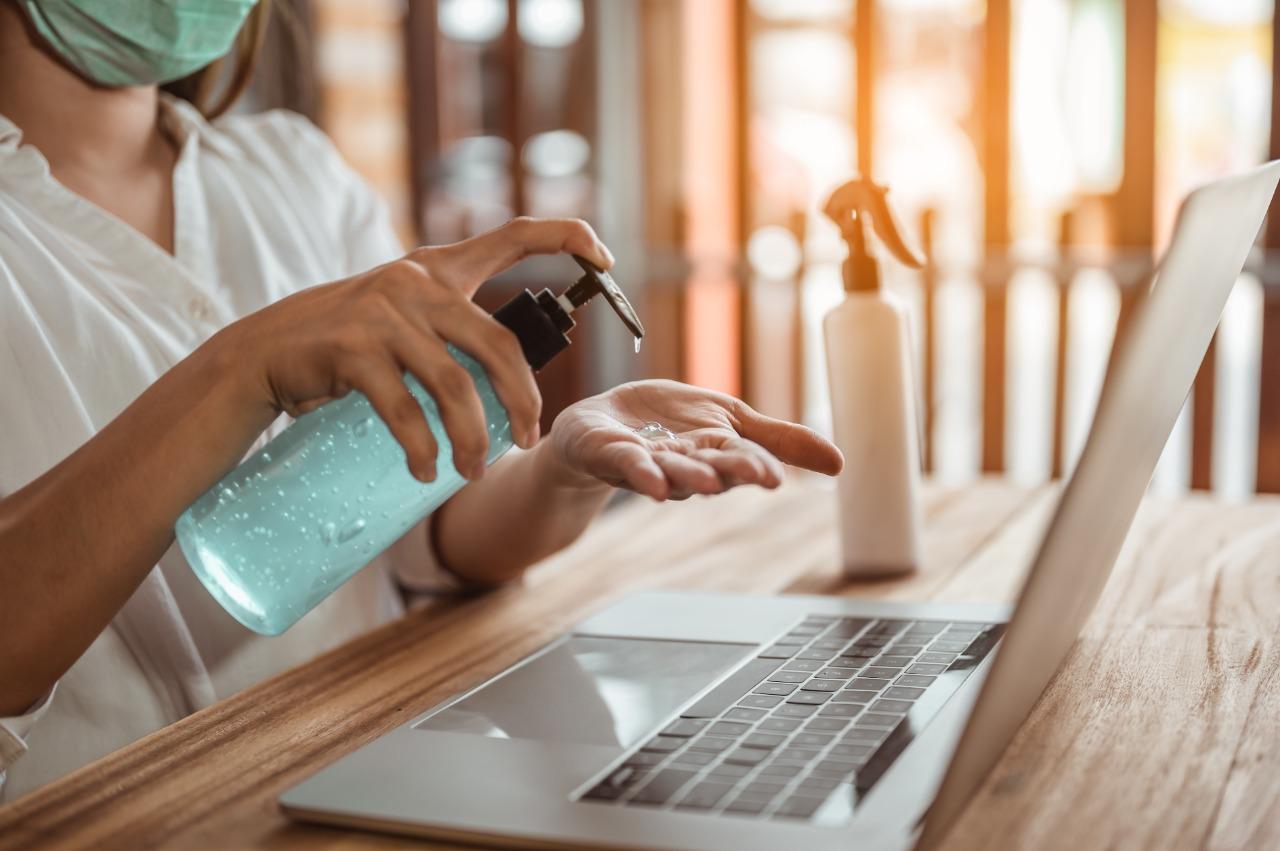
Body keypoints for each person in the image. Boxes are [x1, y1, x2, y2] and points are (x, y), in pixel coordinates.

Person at [0, 0, 843, 801]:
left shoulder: (294, 172)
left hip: (381, 776)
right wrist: (240, 370)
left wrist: (561, 468)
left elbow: (431, 533)